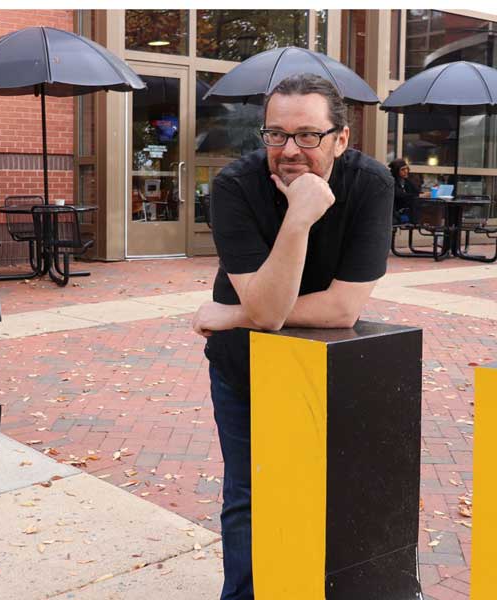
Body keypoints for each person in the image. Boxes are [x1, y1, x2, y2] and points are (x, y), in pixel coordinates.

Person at [191, 73, 393, 600]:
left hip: (332, 366)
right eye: (276, 134)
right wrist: (299, 218)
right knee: (249, 493)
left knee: (330, 491)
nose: (289, 150)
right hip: (245, 365)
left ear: (341, 139)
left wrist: (237, 313)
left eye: (308, 135)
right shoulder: (236, 185)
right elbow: (265, 311)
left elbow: (344, 307)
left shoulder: (370, 183)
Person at [388, 158, 426, 224]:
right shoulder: (391, 181)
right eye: (402, 169)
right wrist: (419, 195)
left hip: (406, 211)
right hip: (394, 212)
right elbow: (400, 195)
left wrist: (424, 193)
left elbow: (416, 191)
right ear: (396, 171)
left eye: (406, 168)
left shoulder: (407, 181)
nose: (406, 171)